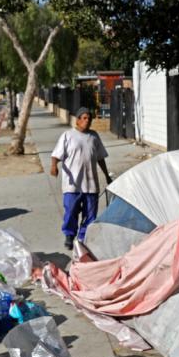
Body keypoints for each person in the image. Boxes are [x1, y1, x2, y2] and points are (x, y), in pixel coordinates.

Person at [50, 107, 111, 250]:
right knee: (71, 211)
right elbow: (55, 155)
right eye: (84, 118)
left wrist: (107, 175)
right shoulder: (68, 135)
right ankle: (70, 235)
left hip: (90, 184)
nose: (87, 121)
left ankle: (83, 239)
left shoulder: (94, 136)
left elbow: (100, 158)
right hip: (73, 185)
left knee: (90, 215)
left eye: (89, 118)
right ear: (77, 120)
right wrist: (54, 166)